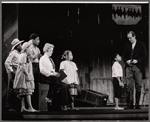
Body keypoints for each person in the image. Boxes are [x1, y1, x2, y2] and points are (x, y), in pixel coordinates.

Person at [39, 43, 73, 111]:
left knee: (65, 84)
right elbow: (42, 70)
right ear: (47, 50)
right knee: (62, 86)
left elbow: (52, 70)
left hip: (52, 76)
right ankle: (63, 104)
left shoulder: (50, 59)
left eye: (52, 50)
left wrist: (56, 73)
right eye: (51, 51)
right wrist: (53, 74)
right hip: (46, 77)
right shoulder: (43, 58)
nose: (52, 52)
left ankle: (64, 104)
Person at [123, 31, 147, 109]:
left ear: (134, 36)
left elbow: (145, 56)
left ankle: (137, 104)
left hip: (138, 67)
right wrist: (127, 61)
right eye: (128, 38)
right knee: (129, 86)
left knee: (138, 86)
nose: (129, 39)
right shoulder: (127, 45)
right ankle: (129, 104)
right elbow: (124, 56)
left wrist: (137, 61)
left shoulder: (141, 44)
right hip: (129, 67)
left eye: (130, 38)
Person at [13, 41, 37, 112]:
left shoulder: (26, 56)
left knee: (23, 92)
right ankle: (30, 107)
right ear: (26, 49)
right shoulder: (23, 55)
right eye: (29, 48)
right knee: (28, 91)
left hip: (25, 75)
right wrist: (27, 74)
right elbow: (22, 66)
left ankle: (23, 107)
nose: (31, 49)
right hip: (24, 76)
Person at [4, 38, 24, 111]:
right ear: (17, 46)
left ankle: (15, 105)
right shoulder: (13, 53)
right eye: (20, 44)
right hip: (13, 72)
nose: (21, 45)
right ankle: (9, 106)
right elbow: (7, 63)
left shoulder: (19, 53)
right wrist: (11, 71)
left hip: (17, 72)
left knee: (16, 89)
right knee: (11, 89)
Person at [28, 33, 42, 109]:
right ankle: (31, 104)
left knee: (36, 85)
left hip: (37, 66)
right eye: (37, 39)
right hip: (32, 66)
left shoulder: (37, 48)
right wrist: (37, 55)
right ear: (33, 40)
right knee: (31, 85)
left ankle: (36, 105)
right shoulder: (29, 47)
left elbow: (39, 57)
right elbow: (29, 58)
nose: (39, 41)